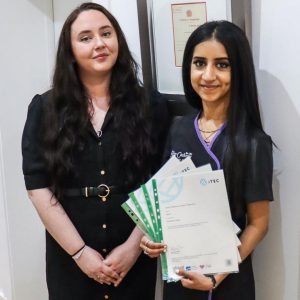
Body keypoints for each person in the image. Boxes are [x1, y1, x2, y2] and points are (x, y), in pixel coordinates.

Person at [22, 2, 169, 300]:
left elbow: (161, 180)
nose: (99, 43)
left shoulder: (150, 105)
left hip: (134, 256)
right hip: (71, 258)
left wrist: (131, 248)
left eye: (106, 33)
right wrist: (80, 254)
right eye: (86, 37)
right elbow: (38, 187)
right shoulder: (45, 108)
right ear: (70, 51)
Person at [140, 20, 274, 300]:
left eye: (222, 64)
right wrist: (152, 237)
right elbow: (164, 205)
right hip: (179, 279)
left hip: (228, 283)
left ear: (239, 71)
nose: (208, 75)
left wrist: (216, 276)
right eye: (199, 63)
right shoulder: (177, 129)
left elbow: (258, 224)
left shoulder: (252, 141)